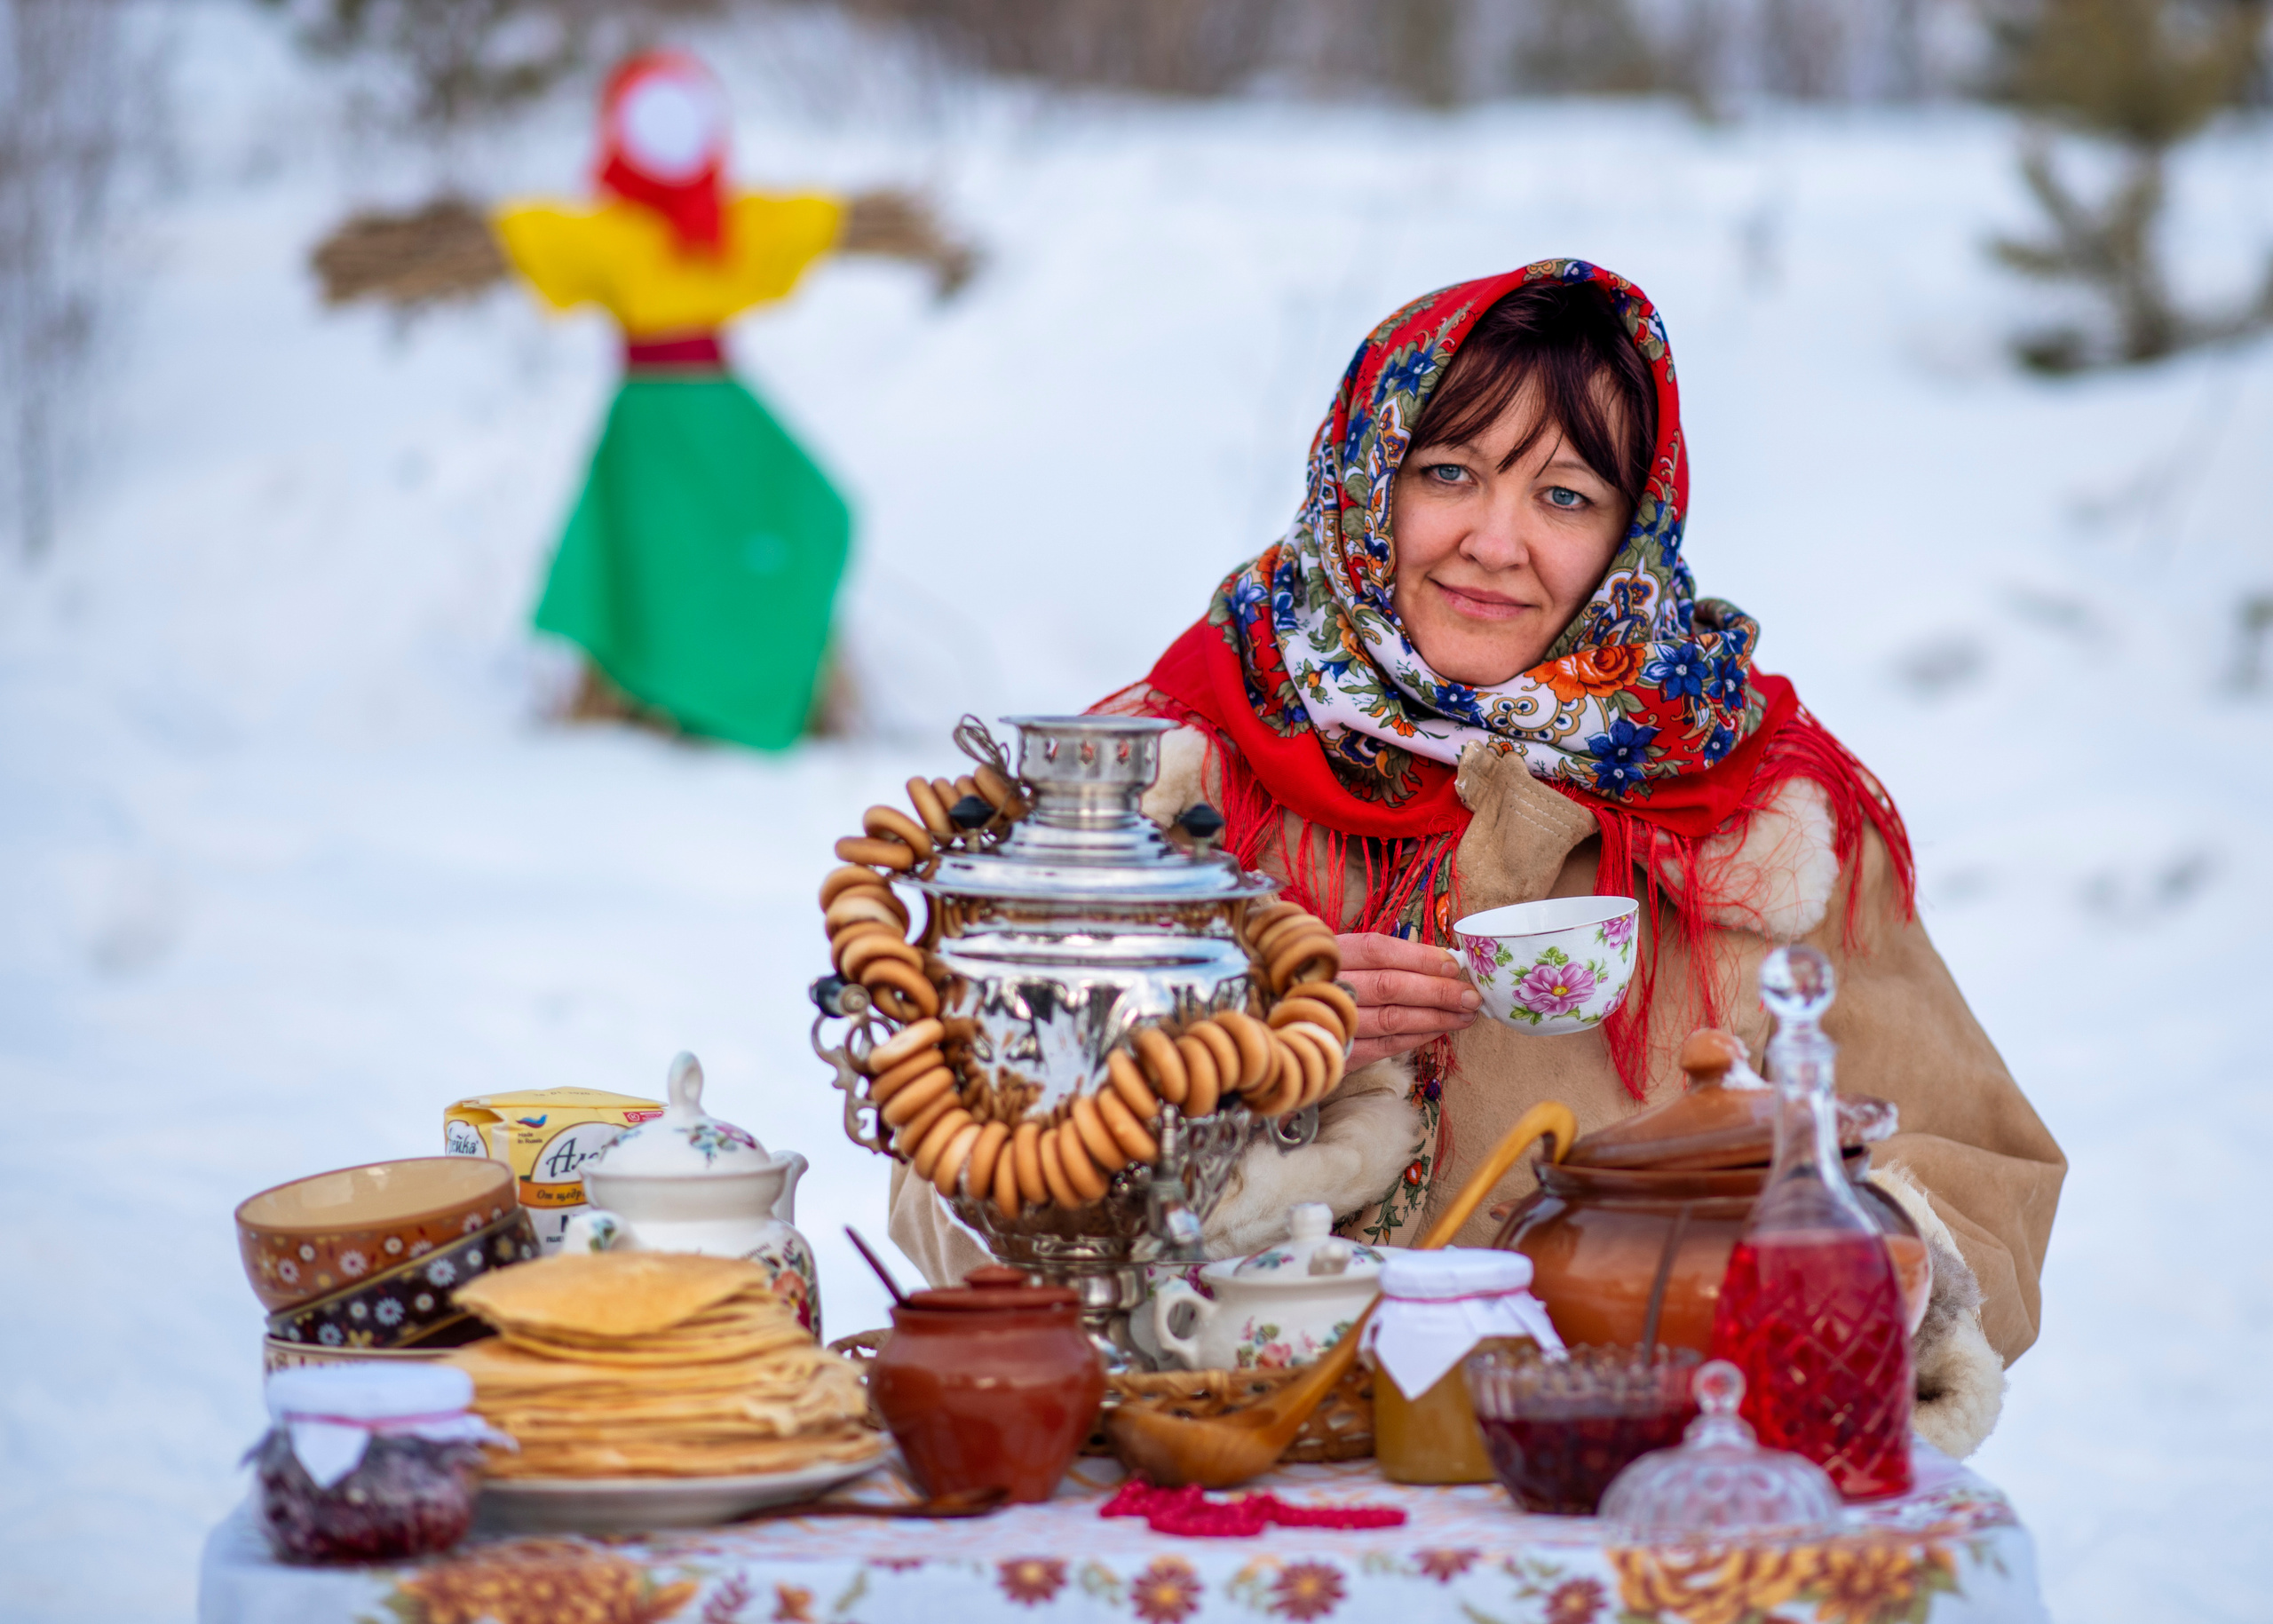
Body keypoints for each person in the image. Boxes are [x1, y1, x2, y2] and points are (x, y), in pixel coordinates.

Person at [892, 260, 2063, 1458]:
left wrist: (1800, 1261)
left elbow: (1977, 1184)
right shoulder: (1156, 779)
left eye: (1565, 496)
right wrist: (1219, 1049)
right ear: (1366, 478)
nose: (1497, 543)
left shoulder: (1755, 813)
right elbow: (944, 1193)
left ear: (1631, 529)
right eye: (1448, 472)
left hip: (1610, 1495)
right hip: (1205, 1478)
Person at [491, 51, 965, 749]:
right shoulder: (606, 235)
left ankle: (779, 687)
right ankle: (647, 694)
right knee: (660, 551)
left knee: (808, 510)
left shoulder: (730, 225)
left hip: (723, 410)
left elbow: (808, 223)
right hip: (649, 419)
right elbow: (531, 236)